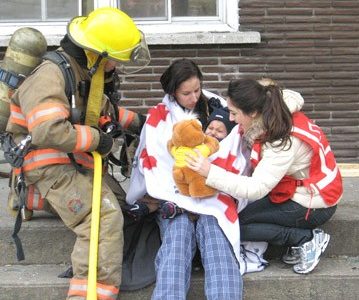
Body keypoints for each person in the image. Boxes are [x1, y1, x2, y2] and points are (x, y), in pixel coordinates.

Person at [6, 7, 150, 299]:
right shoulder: (51, 75)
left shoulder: (84, 70)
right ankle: (90, 293)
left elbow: (101, 110)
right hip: (46, 161)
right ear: (97, 52)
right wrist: (97, 140)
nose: (114, 67)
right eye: (113, 60)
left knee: (124, 204)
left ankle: (34, 196)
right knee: (104, 216)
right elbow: (48, 131)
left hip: (73, 159)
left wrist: (145, 124)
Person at [186, 78, 343, 275]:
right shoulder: (274, 111)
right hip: (298, 188)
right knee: (236, 218)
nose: (231, 119)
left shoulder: (281, 140)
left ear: (252, 113)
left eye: (234, 113)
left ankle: (304, 239)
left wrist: (210, 172)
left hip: (314, 203)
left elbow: (255, 188)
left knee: (233, 225)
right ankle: (299, 238)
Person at [126, 58, 244, 299]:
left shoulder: (222, 110)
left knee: (216, 236)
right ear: (172, 92)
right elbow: (155, 164)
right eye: (186, 93)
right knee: (177, 239)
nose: (193, 97)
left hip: (214, 196)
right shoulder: (158, 119)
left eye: (197, 90)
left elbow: (236, 152)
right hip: (172, 200)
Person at [123, 105, 236, 221]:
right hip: (180, 181)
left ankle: (171, 208)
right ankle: (146, 206)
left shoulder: (224, 150)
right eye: (210, 128)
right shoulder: (195, 143)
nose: (213, 132)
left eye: (220, 131)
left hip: (204, 191)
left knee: (195, 195)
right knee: (166, 185)